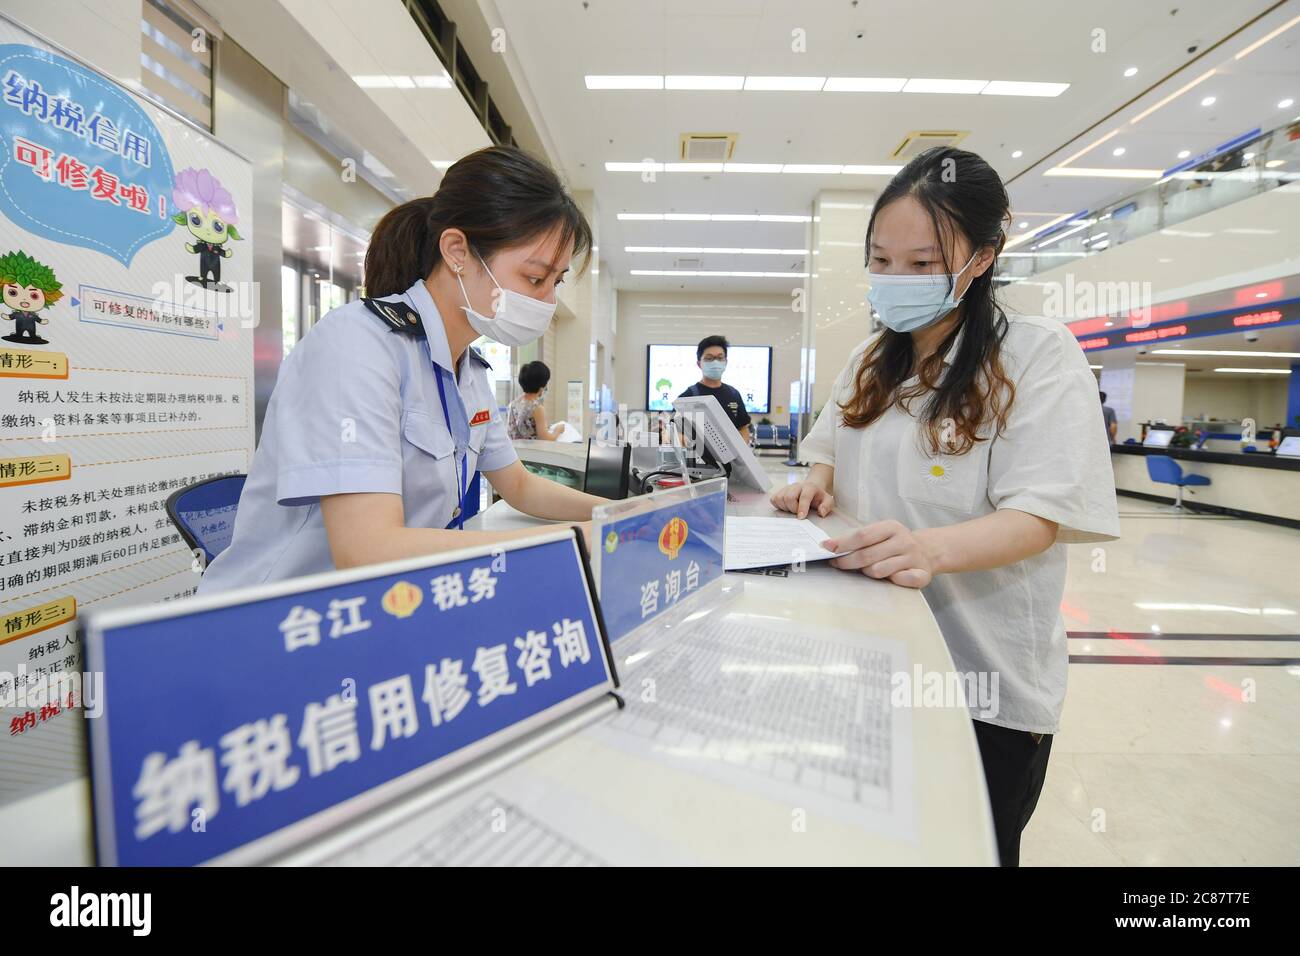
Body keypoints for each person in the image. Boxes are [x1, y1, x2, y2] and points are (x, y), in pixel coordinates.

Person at [770, 147, 1119, 866]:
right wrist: (816, 481)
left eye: (923, 263)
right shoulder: (873, 357)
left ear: (984, 256)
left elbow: (1039, 516)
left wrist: (930, 549)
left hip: (979, 688)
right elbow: (828, 447)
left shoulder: (1036, 356)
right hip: (870, 665)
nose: (895, 280)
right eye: (882, 259)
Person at [201, 146, 611, 593]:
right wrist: (574, 540)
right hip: (276, 619)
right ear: (457, 251)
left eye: (556, 282)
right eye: (534, 278)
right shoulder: (357, 345)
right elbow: (367, 547)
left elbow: (518, 485)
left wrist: (614, 513)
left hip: (382, 605)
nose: (546, 302)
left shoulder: (469, 371)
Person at [678, 335, 752, 443]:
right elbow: (677, 431)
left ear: (726, 362)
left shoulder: (734, 394)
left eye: (720, 358)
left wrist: (742, 451)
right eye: (709, 358)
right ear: (699, 364)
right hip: (698, 457)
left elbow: (743, 428)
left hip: (730, 458)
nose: (715, 362)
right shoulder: (689, 396)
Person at [507, 360, 563, 440]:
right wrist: (558, 430)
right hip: (532, 451)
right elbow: (545, 438)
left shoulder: (513, 404)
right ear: (541, 387)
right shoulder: (537, 408)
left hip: (515, 450)